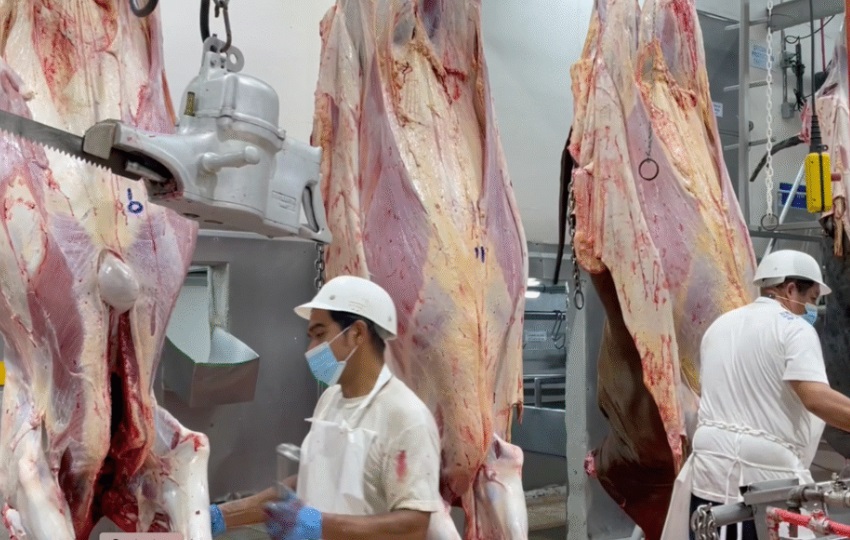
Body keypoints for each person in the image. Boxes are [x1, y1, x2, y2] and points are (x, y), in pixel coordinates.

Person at [209, 275, 444, 540]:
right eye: (310, 337)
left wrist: (318, 525)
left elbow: (413, 526)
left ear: (357, 334)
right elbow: (312, 479)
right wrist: (221, 515)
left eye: (320, 335)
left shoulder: (406, 416)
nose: (311, 349)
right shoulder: (330, 400)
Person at [661, 249, 850, 540]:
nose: (812, 309)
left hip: (708, 470)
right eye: (812, 299)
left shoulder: (719, 326)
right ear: (790, 289)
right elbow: (815, 397)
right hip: (762, 478)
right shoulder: (794, 329)